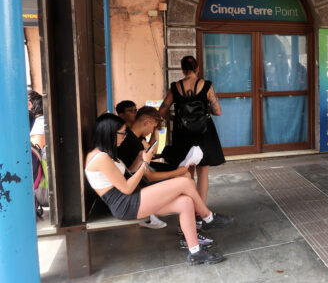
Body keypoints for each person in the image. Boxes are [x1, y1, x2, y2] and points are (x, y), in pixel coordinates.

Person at [84, 113, 226, 265]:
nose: (124, 136)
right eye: (122, 133)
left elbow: (128, 174)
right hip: (125, 203)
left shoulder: (104, 154)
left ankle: (195, 252)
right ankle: (208, 217)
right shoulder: (101, 158)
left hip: (131, 197)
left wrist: (139, 160)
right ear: (110, 133)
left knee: (185, 202)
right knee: (185, 183)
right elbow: (126, 188)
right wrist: (145, 164)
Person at [117, 106, 203, 231]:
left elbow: (151, 152)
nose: (152, 131)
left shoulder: (135, 137)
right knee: (185, 178)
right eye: (153, 127)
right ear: (147, 122)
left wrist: (155, 129)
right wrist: (176, 173)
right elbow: (149, 177)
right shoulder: (132, 141)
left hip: (141, 176)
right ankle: (196, 218)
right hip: (140, 184)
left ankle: (194, 218)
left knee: (185, 177)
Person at [159, 56, 226, 209]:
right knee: (203, 172)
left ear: (182, 70)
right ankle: (200, 210)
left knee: (186, 171)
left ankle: (187, 208)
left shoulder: (175, 87)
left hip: (182, 134)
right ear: (197, 68)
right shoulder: (207, 85)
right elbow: (218, 111)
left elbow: (162, 111)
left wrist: (174, 118)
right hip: (203, 132)